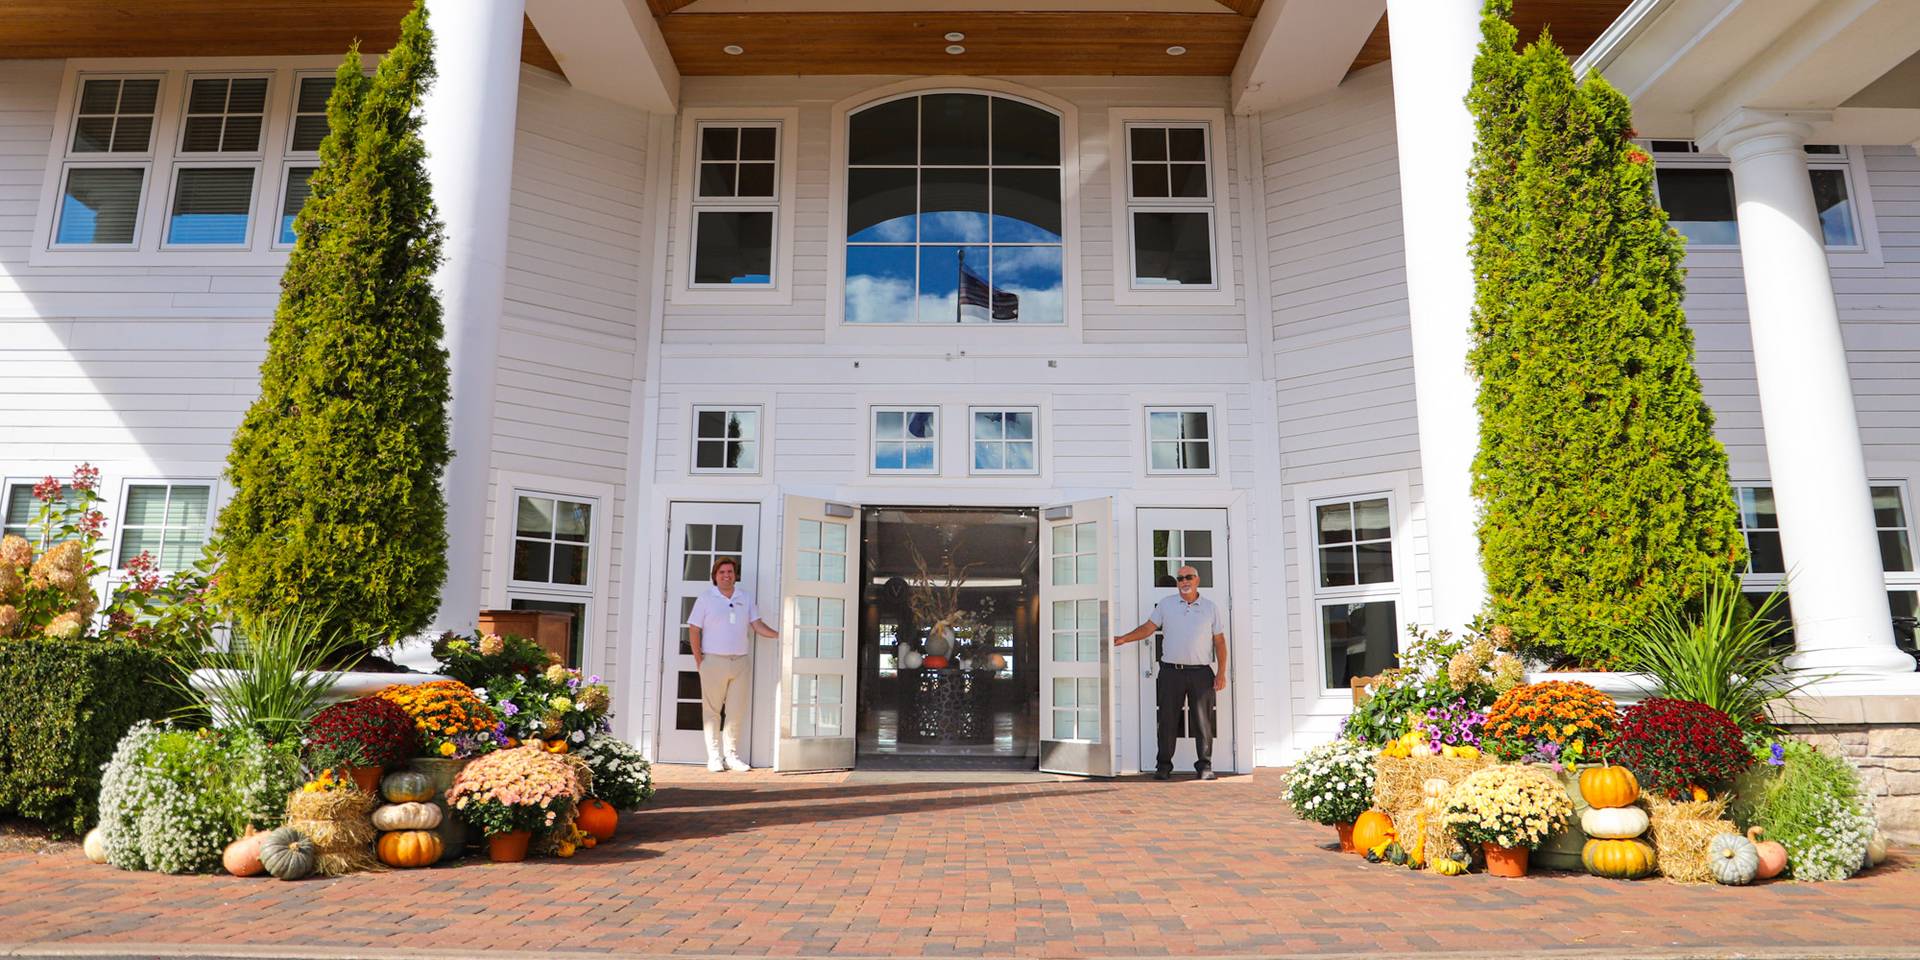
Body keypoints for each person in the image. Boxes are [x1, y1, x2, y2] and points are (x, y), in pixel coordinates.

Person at [1112, 564, 1227, 780]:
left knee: (1202, 722)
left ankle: (1205, 766)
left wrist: (1221, 673)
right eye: (1180, 578)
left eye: (1189, 577)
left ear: (1197, 580)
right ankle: (1163, 766)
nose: (1184, 581)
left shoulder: (1210, 608)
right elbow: (1148, 627)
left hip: (1201, 673)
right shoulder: (1166, 605)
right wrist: (1124, 638)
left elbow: (1219, 642)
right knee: (1167, 721)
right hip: (1170, 672)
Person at [686, 557, 779, 772]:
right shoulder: (706, 598)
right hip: (713, 661)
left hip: (740, 663)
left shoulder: (744, 597)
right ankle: (714, 757)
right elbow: (693, 629)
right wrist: (699, 660)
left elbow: (757, 625)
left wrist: (780, 635)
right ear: (715, 576)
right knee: (712, 712)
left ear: (735, 575)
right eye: (722, 572)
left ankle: (732, 756)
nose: (726, 575)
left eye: (730, 572)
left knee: (736, 711)